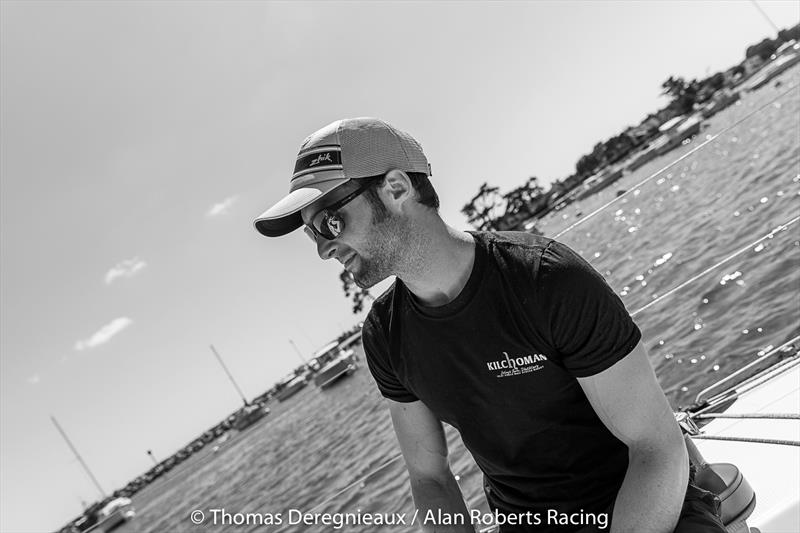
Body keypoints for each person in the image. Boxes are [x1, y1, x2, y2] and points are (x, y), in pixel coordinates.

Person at [253, 117, 727, 532]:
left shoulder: (545, 279)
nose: (322, 249)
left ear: (396, 189)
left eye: (329, 223)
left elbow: (656, 446)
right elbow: (430, 476)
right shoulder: (384, 336)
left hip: (647, 505)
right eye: (311, 234)